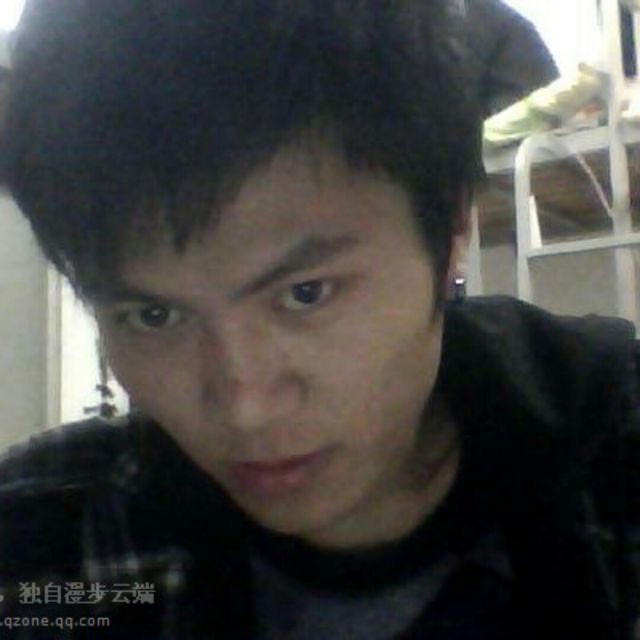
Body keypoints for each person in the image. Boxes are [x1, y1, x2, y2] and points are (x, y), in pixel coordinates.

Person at [0, 1, 638, 638]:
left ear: (450, 233)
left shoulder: (614, 473)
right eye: (154, 315)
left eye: (306, 293)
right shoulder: (52, 555)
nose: (246, 407)